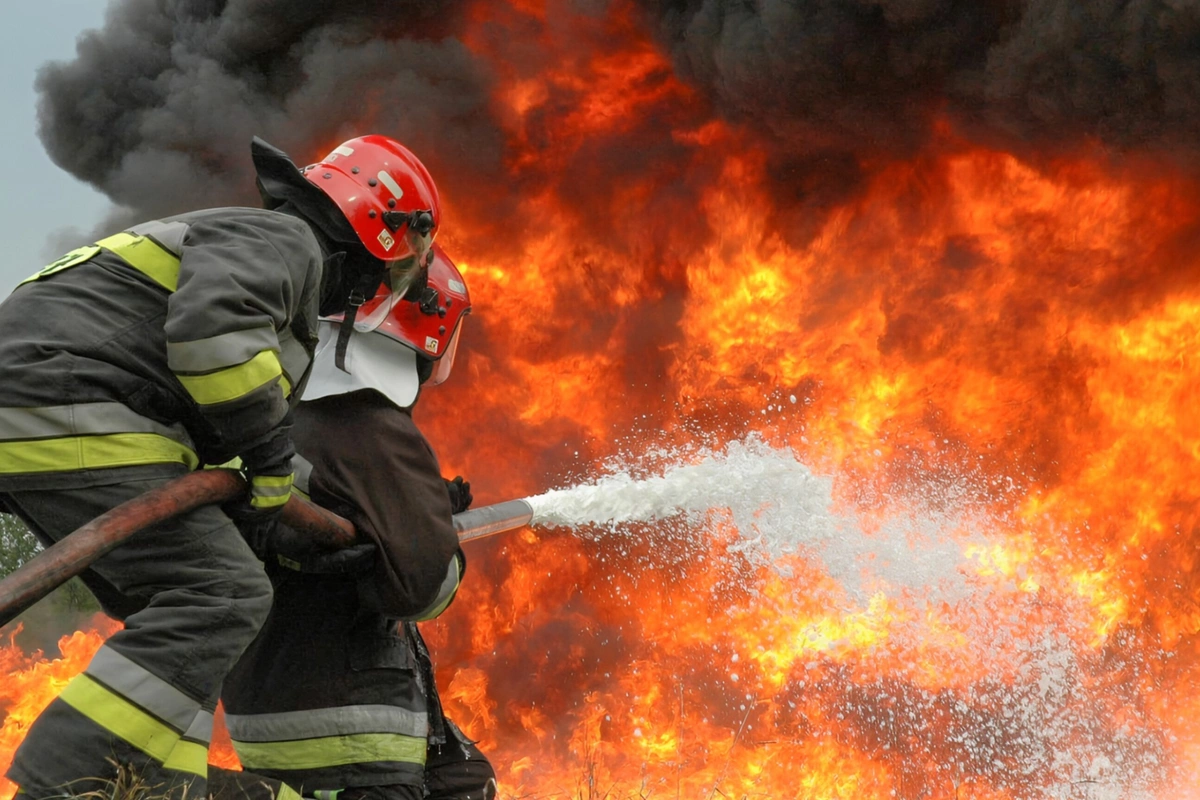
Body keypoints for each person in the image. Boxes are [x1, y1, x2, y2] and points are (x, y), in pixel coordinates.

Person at [0, 134, 443, 800]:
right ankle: (72, 780)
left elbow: (216, 433)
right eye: (404, 265)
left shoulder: (252, 252)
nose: (387, 284)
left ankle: (155, 782)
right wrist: (270, 466)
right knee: (224, 594)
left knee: (176, 600)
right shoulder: (287, 244)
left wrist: (291, 520)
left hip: (51, 408)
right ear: (377, 231)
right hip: (74, 402)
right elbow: (213, 343)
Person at [209, 245, 496, 800]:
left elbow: (327, 508)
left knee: (466, 780)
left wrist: (415, 508)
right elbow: (424, 588)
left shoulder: (275, 416)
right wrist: (436, 537)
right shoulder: (367, 426)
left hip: (268, 705)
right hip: (349, 729)